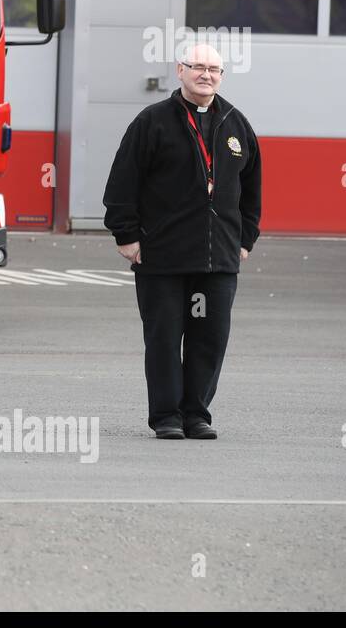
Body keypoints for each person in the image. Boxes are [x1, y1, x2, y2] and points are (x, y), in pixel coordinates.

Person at [103, 44, 262, 440]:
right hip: (162, 258)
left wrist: (245, 240)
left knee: (209, 341)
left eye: (214, 69)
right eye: (198, 67)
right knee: (163, 339)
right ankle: (167, 417)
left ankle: (197, 415)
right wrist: (127, 237)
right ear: (180, 70)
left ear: (222, 75)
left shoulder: (236, 124)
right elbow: (123, 181)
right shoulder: (152, 122)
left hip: (218, 260)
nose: (206, 75)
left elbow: (252, 189)